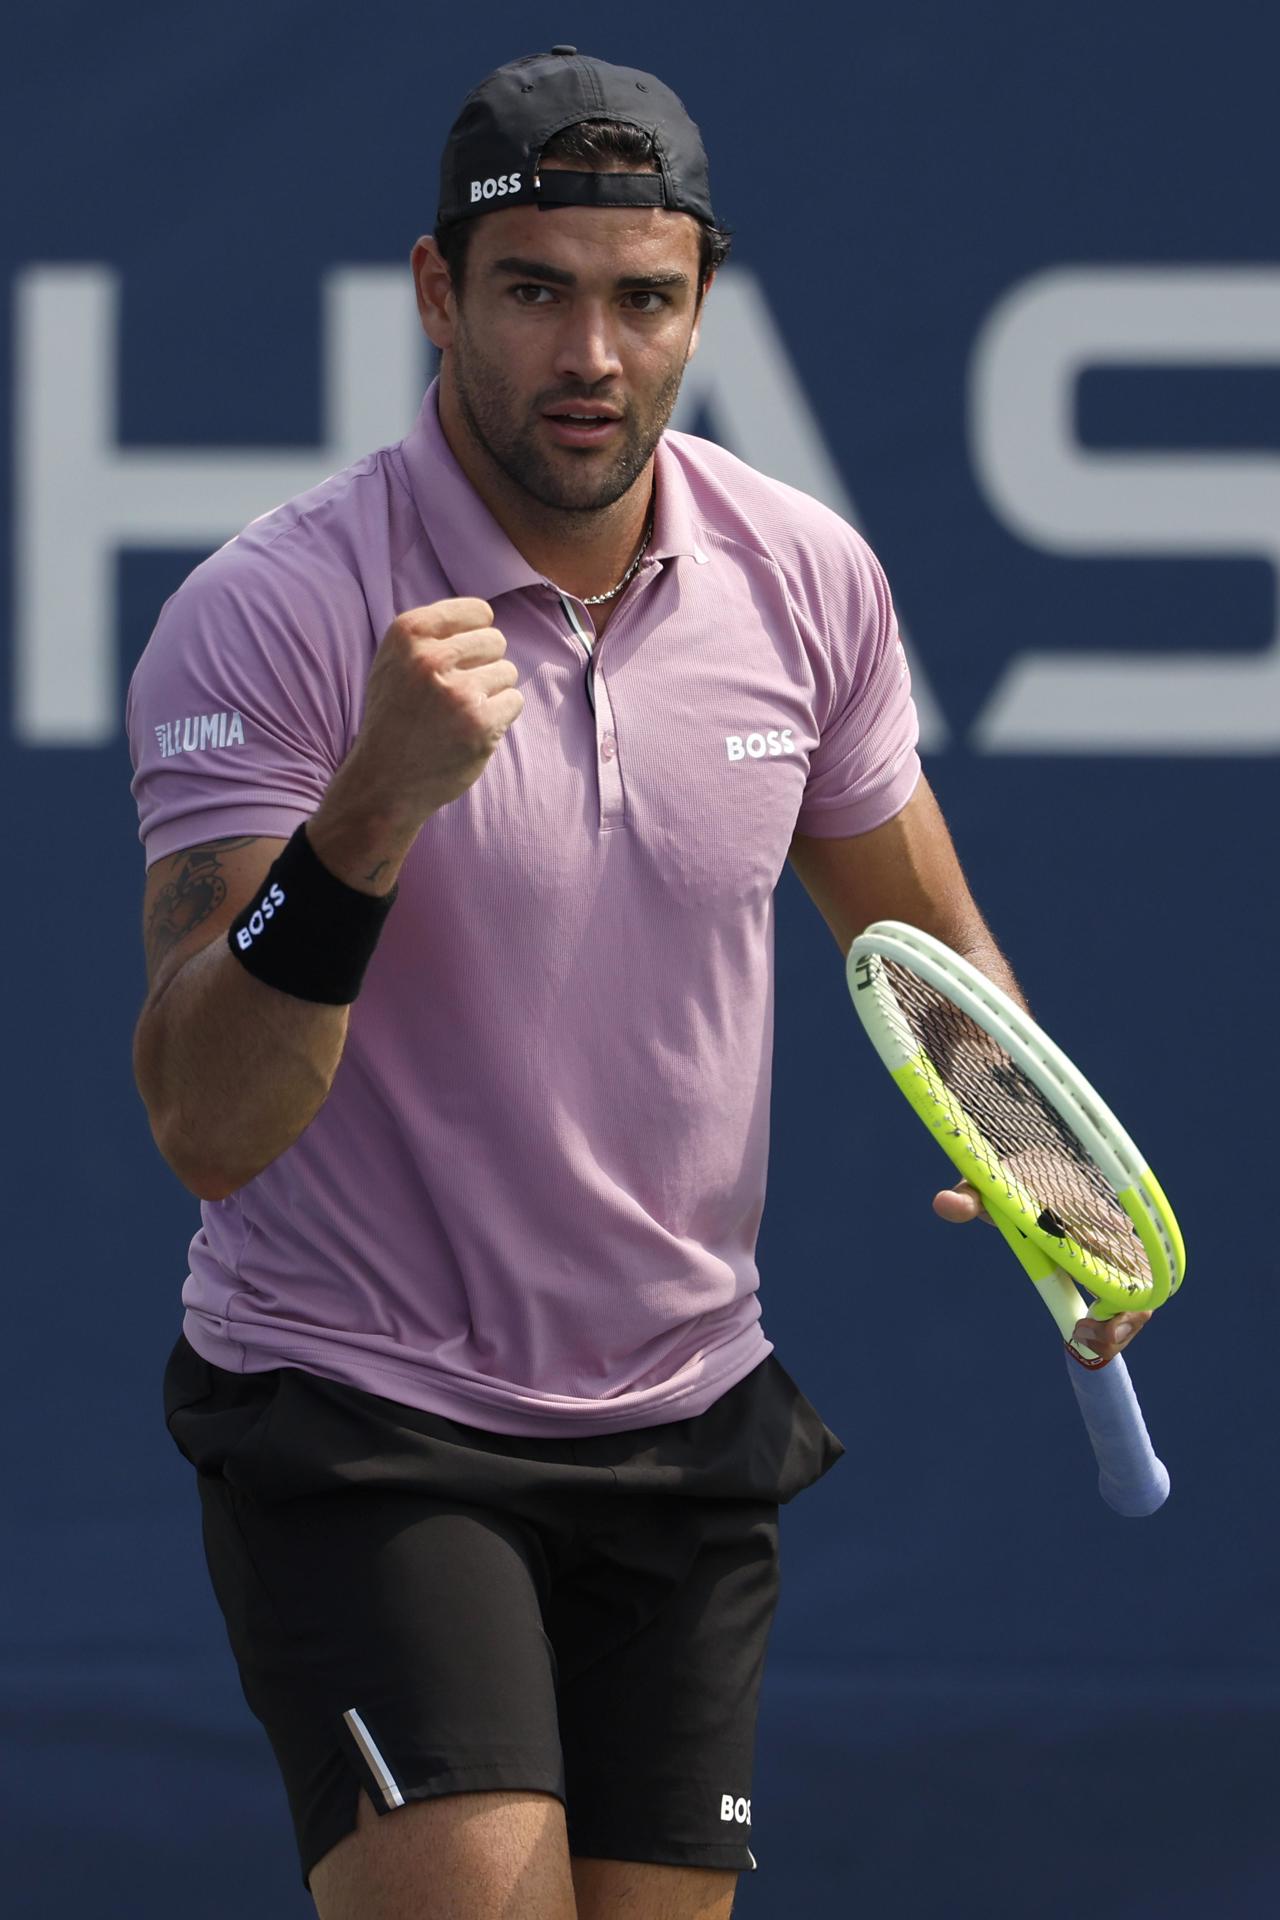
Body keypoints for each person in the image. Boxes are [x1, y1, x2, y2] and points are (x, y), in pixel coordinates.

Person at [127, 47, 1147, 1920]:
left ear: (698, 310)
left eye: (642, 298)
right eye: (535, 292)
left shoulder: (809, 580)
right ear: (439, 296)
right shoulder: (272, 614)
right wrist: (369, 815)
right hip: (365, 1417)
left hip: (683, 1416)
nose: (590, 352)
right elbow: (207, 1114)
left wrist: (1054, 1191)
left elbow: (927, 955)